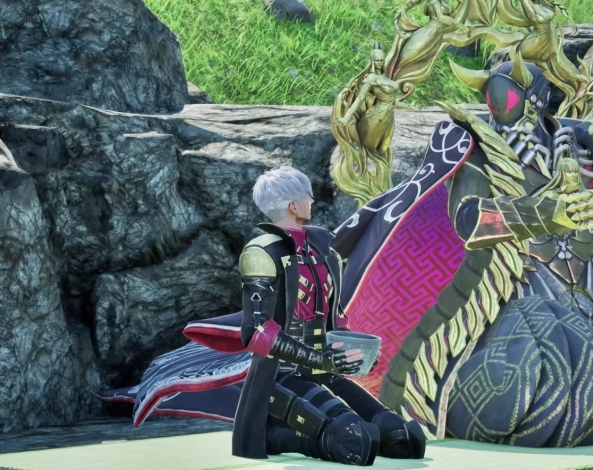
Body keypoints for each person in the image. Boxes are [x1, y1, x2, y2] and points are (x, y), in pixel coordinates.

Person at [329, 58, 593, 447]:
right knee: (553, 395)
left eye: (506, 97)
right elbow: (470, 221)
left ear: (537, 98)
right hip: (516, 307)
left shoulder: (589, 148)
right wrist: (547, 213)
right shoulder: (479, 150)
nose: (498, 108)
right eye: (493, 98)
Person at [98, 166, 426, 466]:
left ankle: (294, 434)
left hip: (321, 367)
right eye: (306, 195)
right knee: (351, 436)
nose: (312, 200)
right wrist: (319, 358)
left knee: (398, 436)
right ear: (293, 205)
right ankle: (284, 439)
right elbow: (257, 331)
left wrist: (350, 351)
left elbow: (332, 314)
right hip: (278, 373)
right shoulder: (262, 251)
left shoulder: (321, 247)